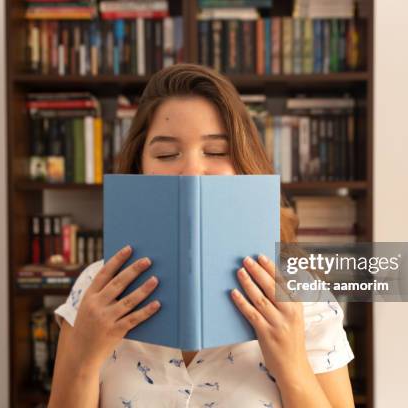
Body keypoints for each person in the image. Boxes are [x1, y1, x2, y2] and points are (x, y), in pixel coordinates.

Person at [49, 64, 355, 408]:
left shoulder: (300, 295)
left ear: (243, 164)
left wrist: (292, 366)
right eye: (166, 154)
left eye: (216, 151)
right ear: (141, 168)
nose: (193, 170)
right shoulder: (96, 288)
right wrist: (84, 362)